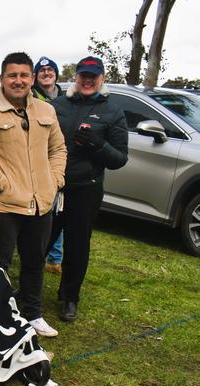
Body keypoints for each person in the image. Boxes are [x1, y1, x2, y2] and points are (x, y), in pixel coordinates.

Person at [0, 52, 66, 338]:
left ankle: (32, 313)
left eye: (23, 75)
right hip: (2, 204)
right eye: (12, 75)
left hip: (40, 204)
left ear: (32, 78)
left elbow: (58, 149)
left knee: (34, 262)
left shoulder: (46, 112)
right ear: (1, 78)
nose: (18, 81)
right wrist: (0, 182)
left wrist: (54, 180)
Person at [50, 56, 128, 322]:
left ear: (102, 79)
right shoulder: (57, 105)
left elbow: (119, 159)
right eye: (83, 75)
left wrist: (96, 143)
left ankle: (69, 297)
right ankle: (27, 292)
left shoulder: (112, 112)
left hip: (86, 189)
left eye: (93, 76)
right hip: (53, 185)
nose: (87, 80)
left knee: (77, 245)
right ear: (76, 77)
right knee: (38, 241)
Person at [32, 56, 64, 274]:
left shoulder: (67, 97)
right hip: (35, 159)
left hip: (58, 157)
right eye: (41, 70)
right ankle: (35, 252)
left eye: (49, 70)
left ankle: (55, 258)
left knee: (58, 208)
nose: (46, 73)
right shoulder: (29, 95)